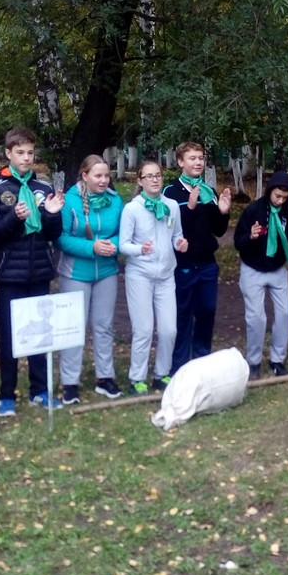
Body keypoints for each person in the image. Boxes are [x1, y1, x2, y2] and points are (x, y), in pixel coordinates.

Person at [0, 128, 65, 417]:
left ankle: (40, 390)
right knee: (10, 337)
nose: (26, 158)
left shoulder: (42, 189)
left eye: (30, 152)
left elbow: (53, 234)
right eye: (20, 152)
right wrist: (15, 219)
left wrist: (52, 214)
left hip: (40, 271)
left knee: (40, 334)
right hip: (10, 274)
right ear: (8, 154)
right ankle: (7, 395)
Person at [57, 154, 124, 403]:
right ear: (84, 176)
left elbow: (123, 233)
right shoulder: (69, 200)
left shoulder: (115, 201)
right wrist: (92, 247)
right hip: (75, 273)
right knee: (73, 327)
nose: (104, 180)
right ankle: (70, 382)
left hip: (106, 272)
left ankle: (105, 378)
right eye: (98, 175)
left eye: (106, 175)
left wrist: (112, 245)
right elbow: (60, 238)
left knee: (104, 326)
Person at [234, 171, 288, 380]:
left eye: (285, 197)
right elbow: (237, 242)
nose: (280, 200)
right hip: (253, 269)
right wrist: (250, 236)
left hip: (277, 270)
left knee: (284, 314)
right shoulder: (254, 210)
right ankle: (254, 362)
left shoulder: (287, 214)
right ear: (270, 191)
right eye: (277, 195)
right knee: (257, 318)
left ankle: (277, 360)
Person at [163, 142, 232, 372]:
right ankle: (179, 367)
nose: (198, 162)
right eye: (192, 158)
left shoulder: (208, 191)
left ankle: (201, 365)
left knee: (207, 312)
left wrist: (223, 212)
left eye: (201, 158)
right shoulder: (170, 192)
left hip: (207, 265)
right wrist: (189, 209)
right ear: (180, 162)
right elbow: (169, 228)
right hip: (182, 265)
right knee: (183, 316)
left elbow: (219, 231)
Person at [119, 160, 187, 395]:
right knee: (144, 329)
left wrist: (180, 243)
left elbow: (176, 235)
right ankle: (137, 378)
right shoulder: (132, 209)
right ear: (140, 181)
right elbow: (123, 245)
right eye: (149, 176)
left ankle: (162, 374)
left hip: (167, 275)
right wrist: (140, 249)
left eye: (157, 175)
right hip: (140, 275)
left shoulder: (172, 205)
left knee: (169, 329)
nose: (155, 179)